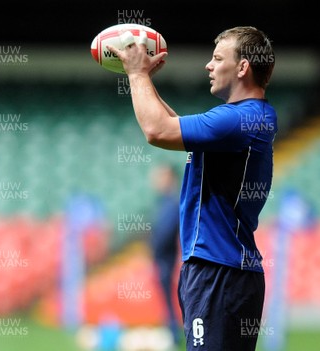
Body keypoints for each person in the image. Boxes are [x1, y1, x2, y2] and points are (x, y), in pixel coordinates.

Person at [108, 26, 277, 351]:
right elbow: (175, 126)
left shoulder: (237, 120)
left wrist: (135, 74)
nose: (208, 66)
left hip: (218, 271)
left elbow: (157, 130)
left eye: (217, 58)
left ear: (243, 67)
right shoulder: (245, 118)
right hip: (226, 271)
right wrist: (146, 81)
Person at [148, 164, 181, 347]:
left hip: (167, 258)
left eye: (161, 177)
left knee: (170, 298)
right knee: (167, 298)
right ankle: (173, 333)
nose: (157, 181)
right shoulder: (163, 202)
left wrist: (155, 249)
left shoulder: (173, 202)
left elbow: (165, 233)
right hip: (163, 258)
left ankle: (174, 335)